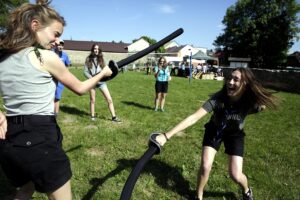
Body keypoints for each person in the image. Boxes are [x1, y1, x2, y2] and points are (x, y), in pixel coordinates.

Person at [0, 1, 112, 199]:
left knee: (25, 190)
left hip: (9, 139)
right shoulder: (45, 57)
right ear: (35, 26)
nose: (56, 41)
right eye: (56, 34)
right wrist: (103, 73)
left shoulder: (3, 59)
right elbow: (80, 88)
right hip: (39, 135)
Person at [153, 67, 278, 200]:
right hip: (214, 131)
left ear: (245, 84)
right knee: (206, 166)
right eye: (229, 78)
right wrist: (166, 135)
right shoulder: (218, 99)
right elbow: (194, 117)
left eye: (236, 79)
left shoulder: (248, 102)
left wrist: (256, 108)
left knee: (235, 175)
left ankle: (247, 191)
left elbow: (261, 107)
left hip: (235, 135)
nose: (230, 82)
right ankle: (198, 195)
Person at [83, 44, 121, 122]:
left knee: (109, 99)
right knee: (92, 100)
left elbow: (106, 69)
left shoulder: (102, 59)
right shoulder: (88, 59)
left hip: (101, 82)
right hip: (92, 82)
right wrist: (92, 78)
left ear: (99, 50)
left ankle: (114, 117)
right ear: (92, 49)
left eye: (97, 49)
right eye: (94, 49)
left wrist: (111, 72)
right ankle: (92, 116)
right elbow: (85, 72)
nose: (96, 50)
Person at [54, 39, 71, 116]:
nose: (60, 46)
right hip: (51, 78)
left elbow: (67, 65)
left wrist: (65, 75)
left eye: (62, 45)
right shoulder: (51, 53)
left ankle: (55, 114)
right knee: (50, 96)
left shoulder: (65, 55)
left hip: (60, 80)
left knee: (57, 97)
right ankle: (49, 113)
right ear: (56, 45)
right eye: (59, 45)